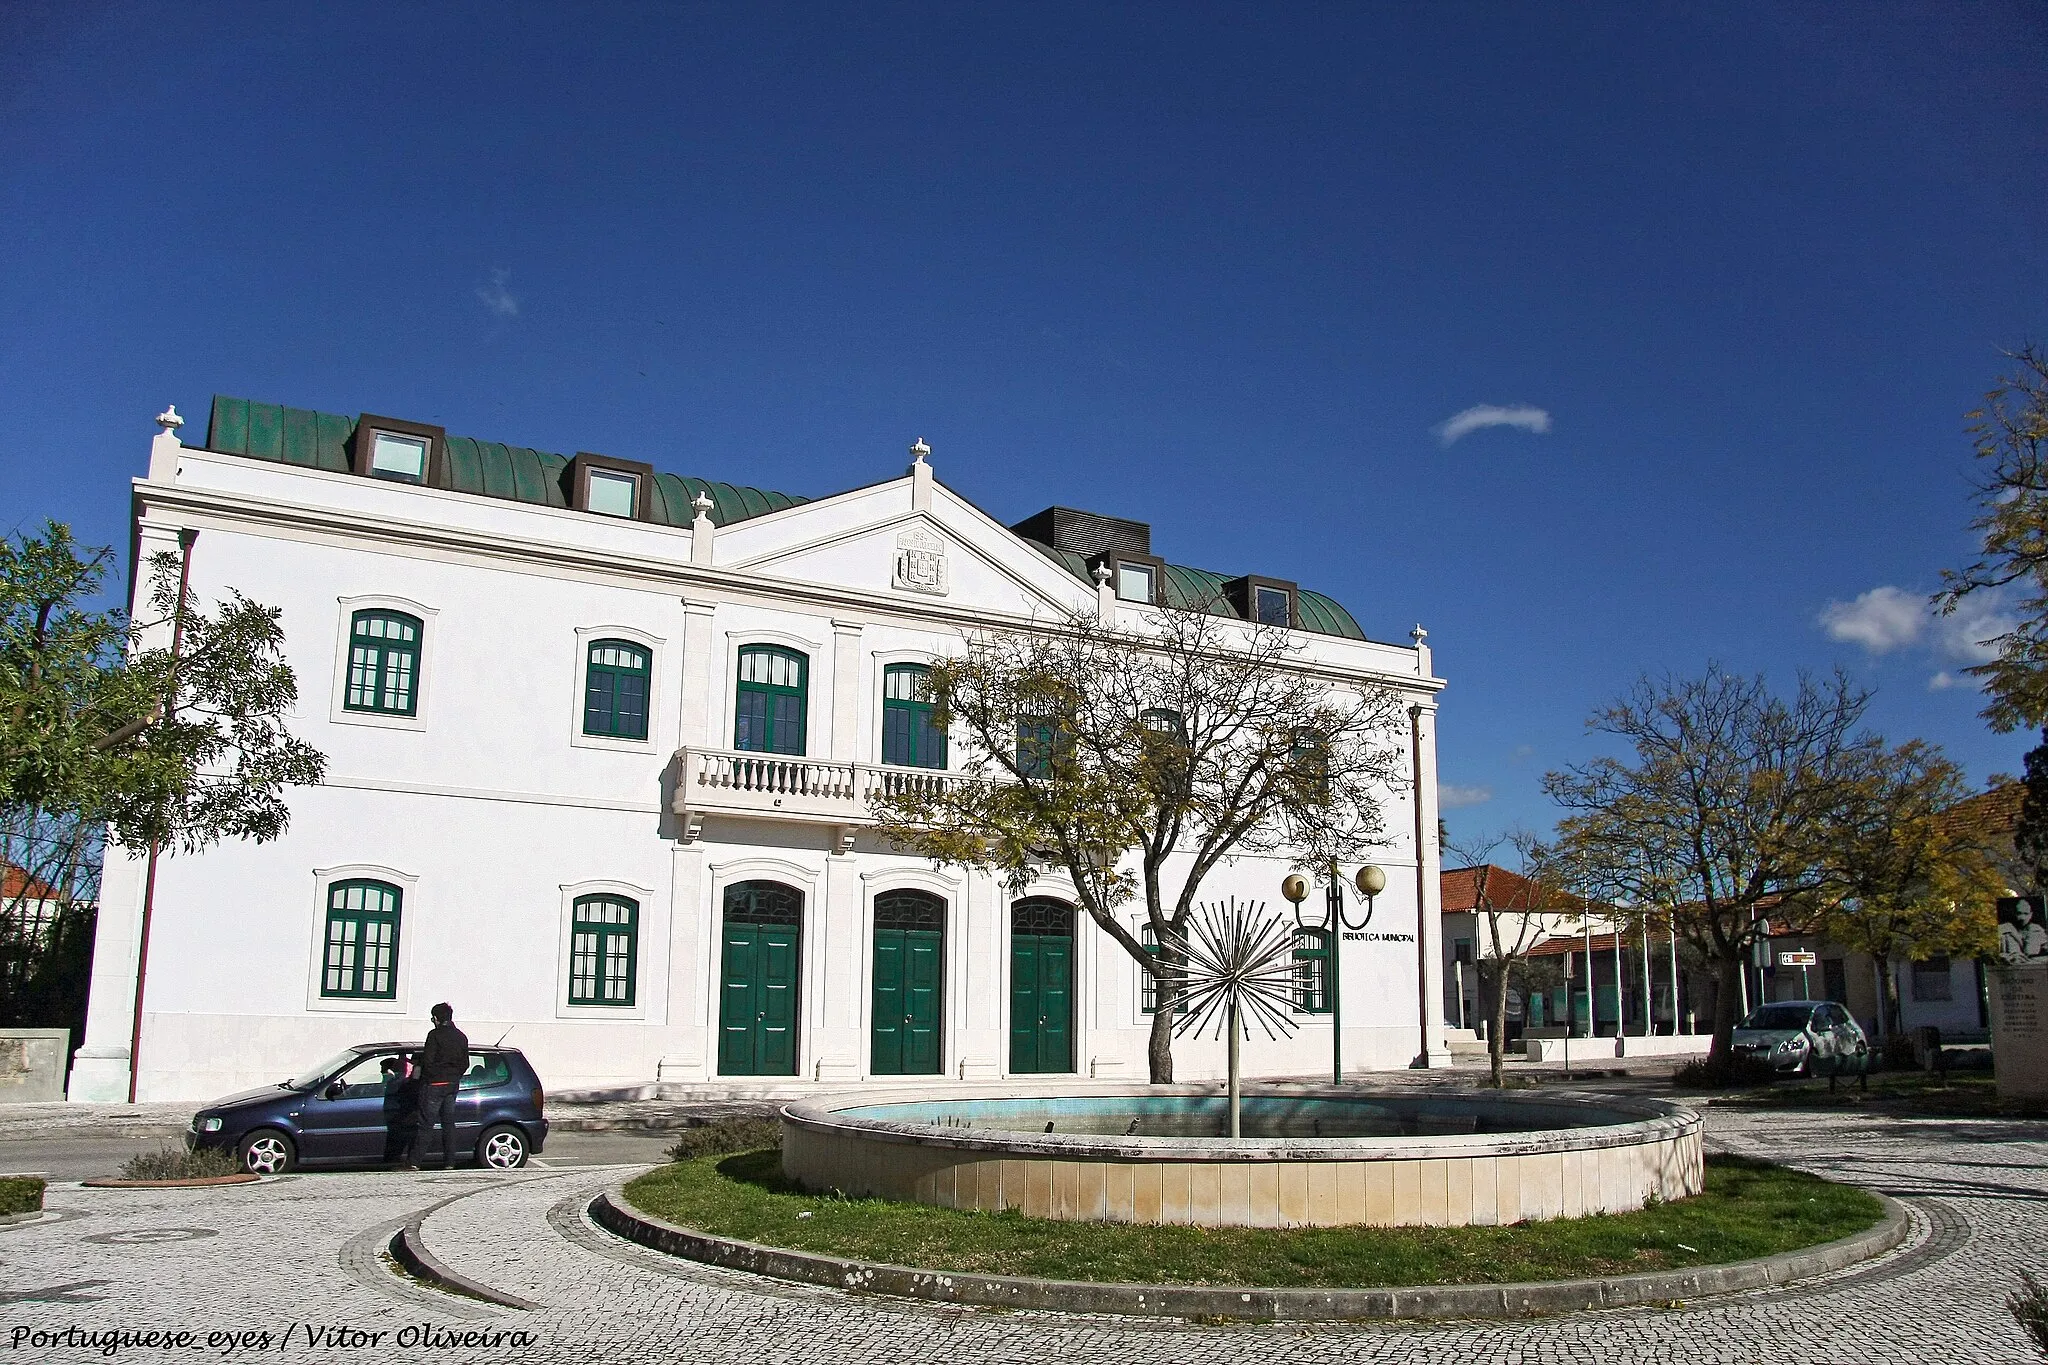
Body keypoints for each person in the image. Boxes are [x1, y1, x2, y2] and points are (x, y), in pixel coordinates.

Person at [403, 1002, 469, 1169]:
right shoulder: (461, 1037)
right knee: (448, 1124)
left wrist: (429, 1077)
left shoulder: (434, 1035)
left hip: (435, 1084)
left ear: (436, 1018)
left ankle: (414, 1162)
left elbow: (428, 1061)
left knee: (426, 1124)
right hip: (452, 1085)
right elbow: (465, 1063)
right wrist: (454, 1076)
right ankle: (449, 1162)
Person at [379, 1054, 418, 1166]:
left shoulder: (396, 1081)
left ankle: (393, 1158)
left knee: (397, 1136)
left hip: (398, 1112)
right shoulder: (399, 1080)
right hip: (398, 1112)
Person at [2003, 898, 2048, 964]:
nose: (2022, 917)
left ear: (2030, 915)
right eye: (2019, 913)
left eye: (2026, 914)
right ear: (2014, 913)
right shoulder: (2007, 929)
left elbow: (2031, 952)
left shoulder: (2036, 930)